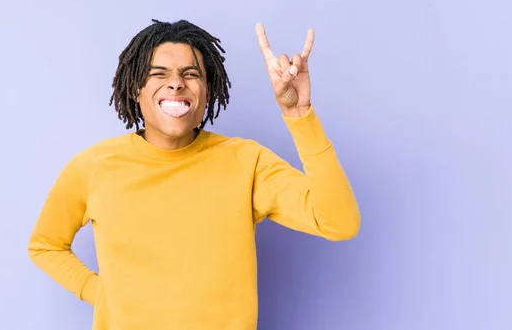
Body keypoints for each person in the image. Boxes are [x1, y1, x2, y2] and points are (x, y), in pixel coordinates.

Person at [28, 19, 360, 330]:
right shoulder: (94, 166)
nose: (176, 83)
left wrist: (299, 115)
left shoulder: (246, 161)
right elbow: (45, 245)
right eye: (159, 74)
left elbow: (339, 222)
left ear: (207, 91)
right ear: (135, 90)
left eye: (191, 74)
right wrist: (98, 291)